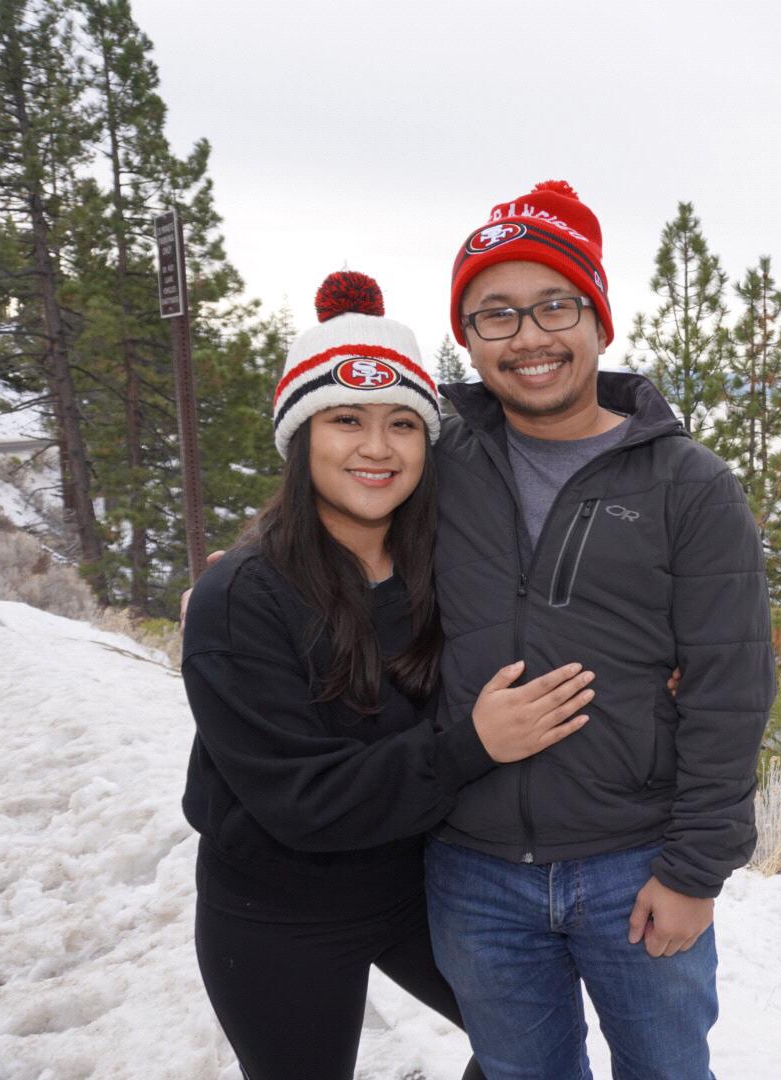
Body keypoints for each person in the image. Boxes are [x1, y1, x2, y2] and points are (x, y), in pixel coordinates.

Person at [180, 272, 597, 1080]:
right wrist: (473, 744)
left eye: (403, 423)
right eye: (346, 420)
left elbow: (546, 633)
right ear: (301, 438)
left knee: (532, 1051)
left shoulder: (442, 566)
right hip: (279, 909)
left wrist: (659, 673)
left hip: (422, 882)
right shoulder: (242, 598)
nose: (377, 448)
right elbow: (303, 801)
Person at [423, 180, 776, 1079]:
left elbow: (731, 687)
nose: (529, 336)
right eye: (496, 314)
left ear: (598, 321)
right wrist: (237, 579)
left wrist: (694, 871)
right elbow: (337, 511)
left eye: (555, 305)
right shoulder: (436, 460)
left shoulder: (687, 483)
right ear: (468, 336)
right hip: (472, 865)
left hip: (635, 861)